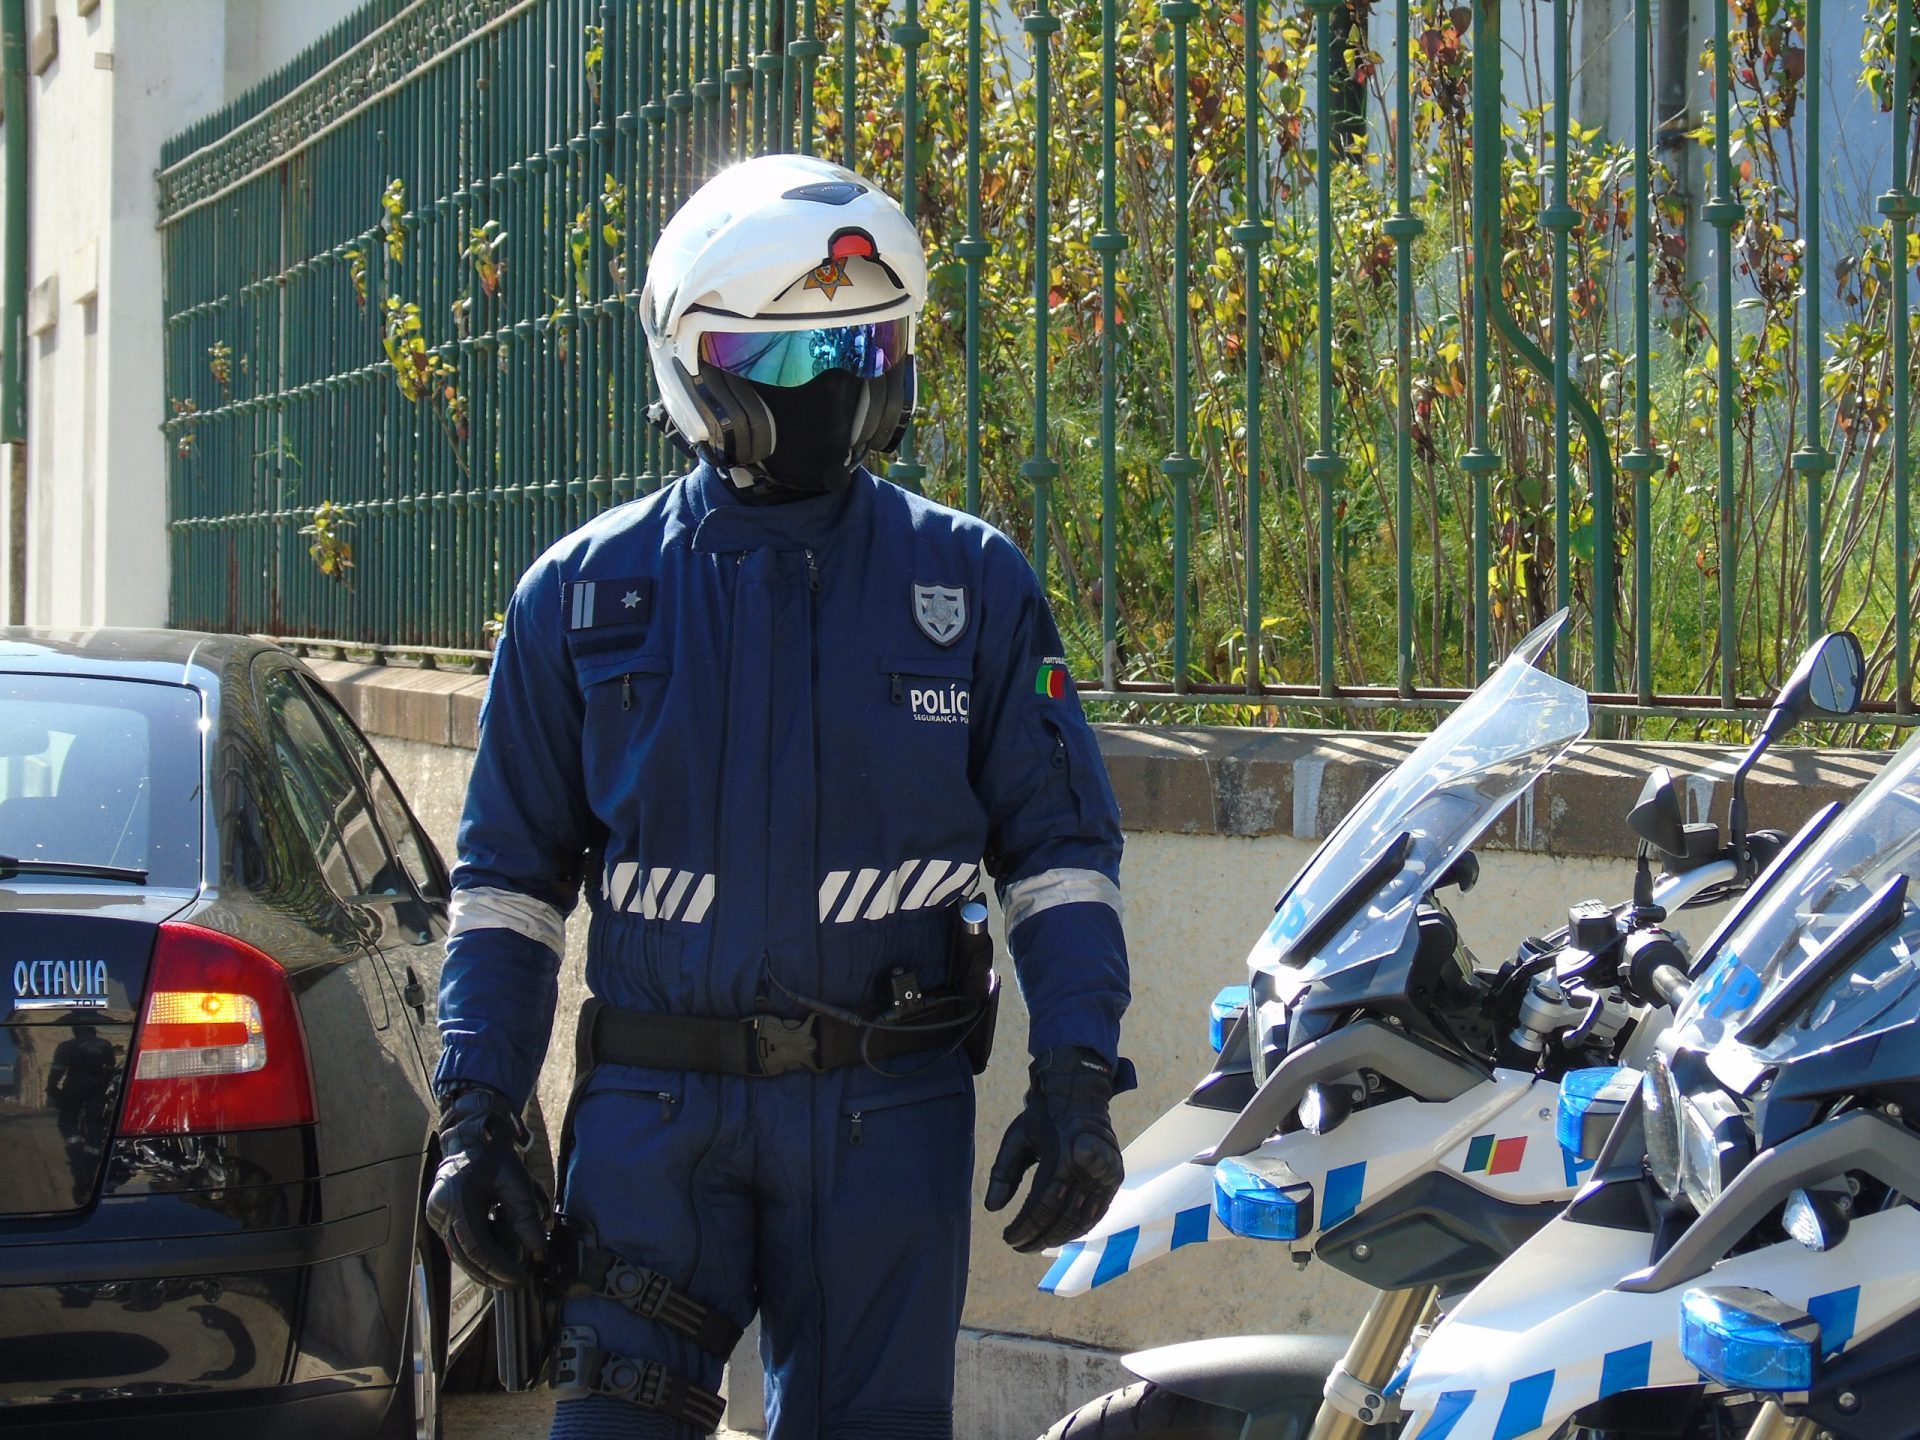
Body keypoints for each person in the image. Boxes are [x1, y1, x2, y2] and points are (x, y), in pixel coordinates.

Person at [425, 152, 1133, 1440]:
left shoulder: (969, 587)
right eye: (780, 363)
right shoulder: (581, 600)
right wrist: (475, 1115)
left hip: (885, 1123)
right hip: (656, 1125)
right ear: (688, 368)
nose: (829, 392)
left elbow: (1059, 856)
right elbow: (508, 891)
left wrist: (1078, 1074)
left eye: (859, 351)